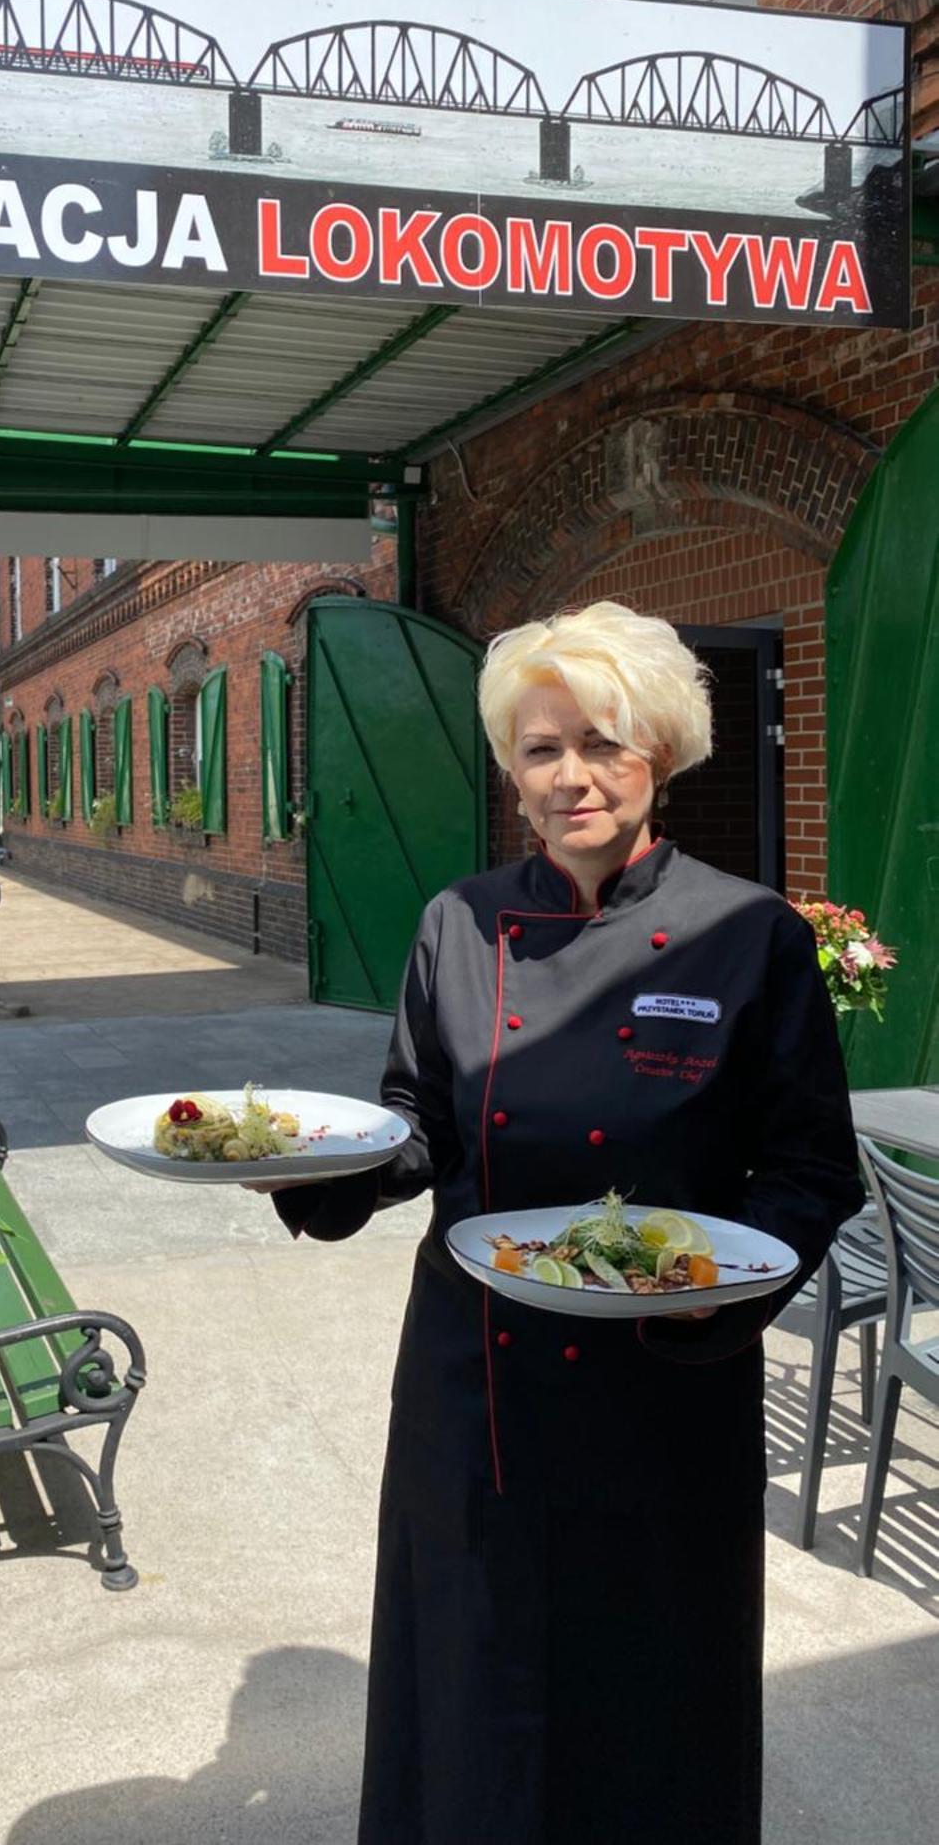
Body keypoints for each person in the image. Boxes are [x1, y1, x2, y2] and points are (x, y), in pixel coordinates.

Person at [262, 600, 863, 1845]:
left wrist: (723, 1292)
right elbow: (415, 1121)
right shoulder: (456, 923)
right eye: (542, 749)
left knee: (654, 1694)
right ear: (509, 768)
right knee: (473, 1688)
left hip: (668, 1389)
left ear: (661, 753)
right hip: (472, 1394)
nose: (571, 776)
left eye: (602, 743)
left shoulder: (752, 936)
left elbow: (810, 1170)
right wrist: (334, 1178)